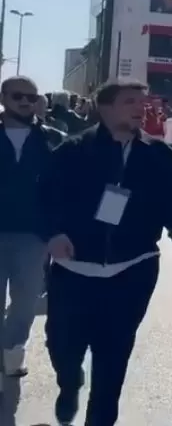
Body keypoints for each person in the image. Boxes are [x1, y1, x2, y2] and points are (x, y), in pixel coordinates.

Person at [41, 79, 172, 426]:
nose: (140, 108)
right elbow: (46, 198)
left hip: (133, 268)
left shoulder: (158, 155)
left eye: (143, 102)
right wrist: (54, 234)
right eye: (130, 102)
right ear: (105, 107)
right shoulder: (73, 150)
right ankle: (69, 383)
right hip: (74, 269)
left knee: (113, 355)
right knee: (62, 346)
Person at [0, 76, 65, 379]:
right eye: (17, 96)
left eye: (31, 97)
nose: (25, 102)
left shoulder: (52, 139)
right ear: (3, 98)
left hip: (34, 236)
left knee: (26, 300)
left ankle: (13, 351)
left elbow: (68, 187)